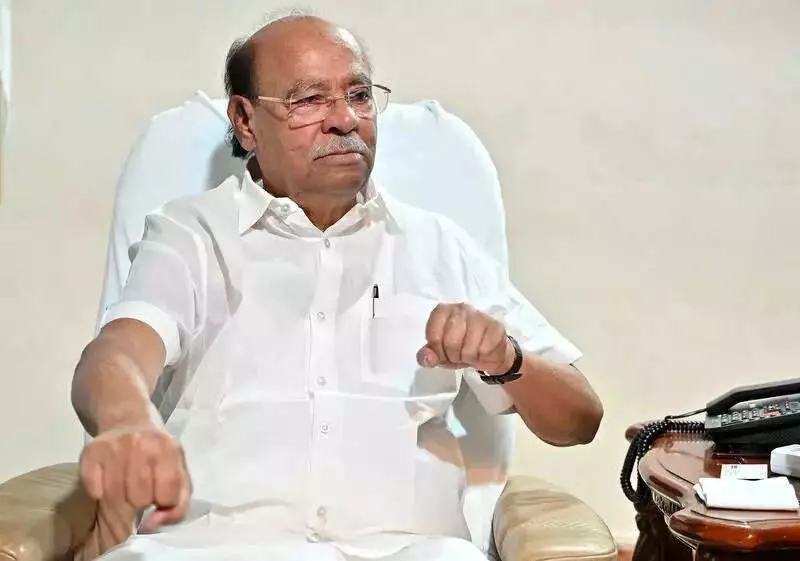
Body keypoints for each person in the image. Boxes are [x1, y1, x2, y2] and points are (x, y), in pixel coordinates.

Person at [70, 12, 603, 561]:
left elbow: (580, 418)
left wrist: (508, 359)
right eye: (308, 100)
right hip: (213, 549)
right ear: (246, 122)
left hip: (406, 552)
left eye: (359, 95)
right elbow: (116, 355)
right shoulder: (193, 234)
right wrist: (128, 422)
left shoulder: (438, 245)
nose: (345, 119)